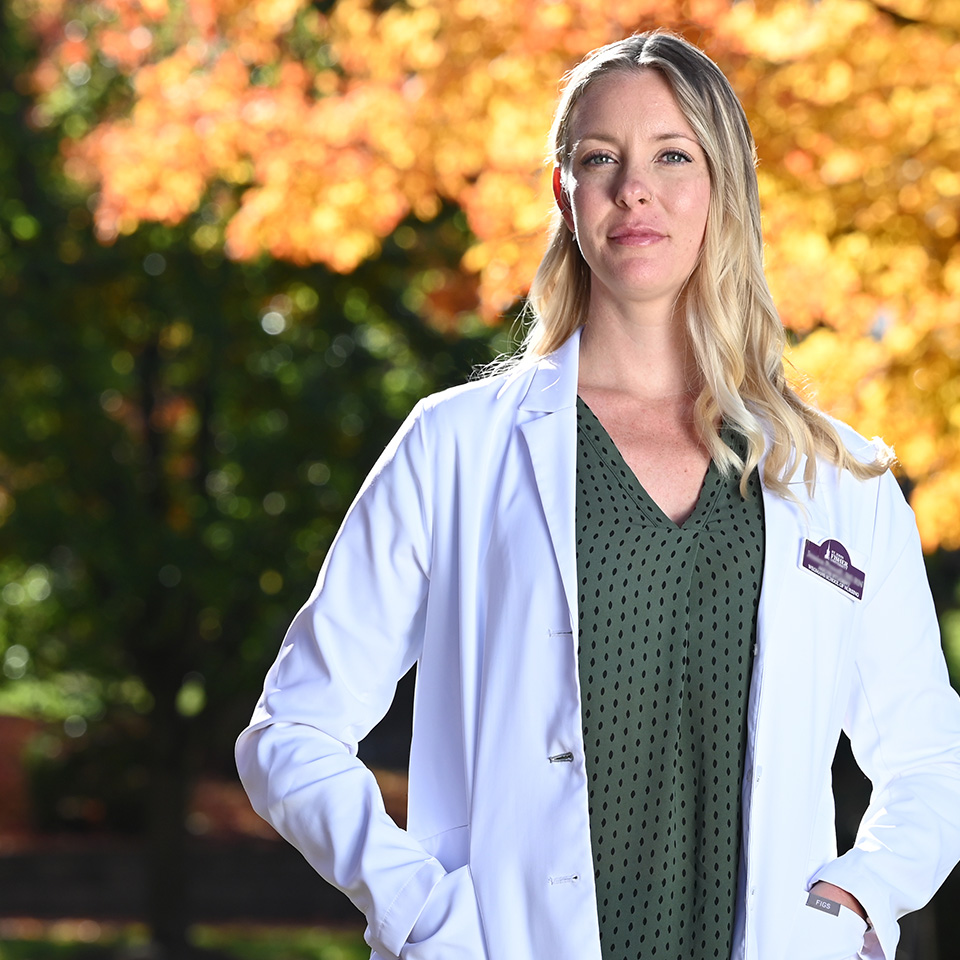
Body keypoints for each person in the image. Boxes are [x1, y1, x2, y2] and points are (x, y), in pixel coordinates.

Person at [236, 30, 960, 960]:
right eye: (599, 158)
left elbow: (933, 760)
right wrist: (419, 907)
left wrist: (861, 899)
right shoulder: (455, 447)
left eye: (673, 155)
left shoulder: (837, 478)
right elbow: (291, 731)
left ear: (723, 187)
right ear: (563, 192)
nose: (635, 190)